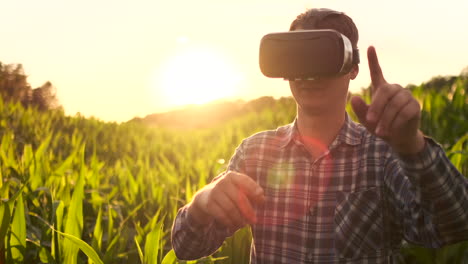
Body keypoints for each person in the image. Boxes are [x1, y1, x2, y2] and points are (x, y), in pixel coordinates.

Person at [171, 8, 468, 263]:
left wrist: (411, 145)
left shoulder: (382, 155)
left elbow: (453, 226)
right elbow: (186, 247)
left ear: (353, 67)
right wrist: (202, 203)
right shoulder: (255, 153)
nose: (309, 74)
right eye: (298, 59)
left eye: (323, 56)